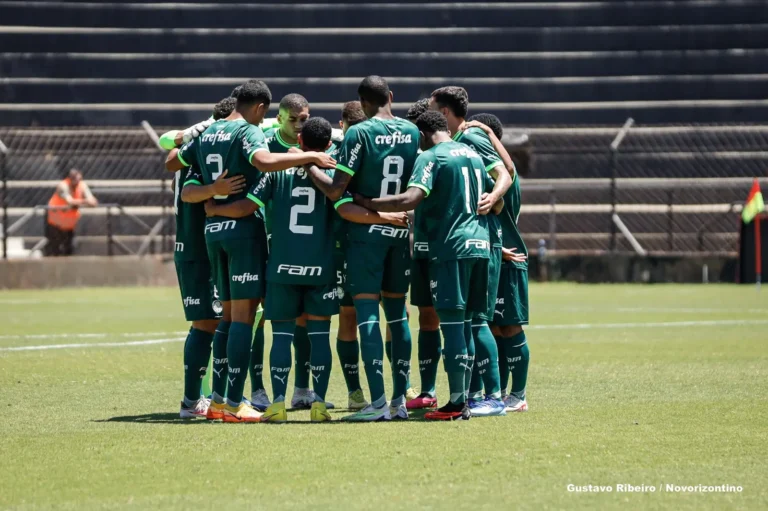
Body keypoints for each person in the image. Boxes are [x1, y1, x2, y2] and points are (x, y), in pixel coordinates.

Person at [205, 118, 407, 422]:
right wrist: (386, 218)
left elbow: (247, 207)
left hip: (282, 267)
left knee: (282, 336)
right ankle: (320, 404)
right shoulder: (334, 176)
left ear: (299, 143)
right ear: (328, 145)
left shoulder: (278, 173)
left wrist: (215, 209)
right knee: (320, 336)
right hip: (321, 267)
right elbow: (345, 208)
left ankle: (276, 405)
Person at [165, 79, 336, 423]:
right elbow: (261, 161)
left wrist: (213, 190)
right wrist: (310, 155)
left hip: (212, 232)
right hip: (243, 233)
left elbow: (174, 165)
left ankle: (216, 401)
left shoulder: (207, 133)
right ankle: (232, 404)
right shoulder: (248, 131)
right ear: (259, 108)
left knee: (226, 316)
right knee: (243, 316)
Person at [353, 110, 507, 421]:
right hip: (481, 246)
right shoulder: (472, 154)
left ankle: (454, 403)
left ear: (423, 134)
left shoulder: (432, 157)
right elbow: (498, 194)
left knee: (450, 327)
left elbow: (410, 198)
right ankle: (471, 398)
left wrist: (369, 202)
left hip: (452, 248)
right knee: (468, 325)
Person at [305, 76, 420, 421]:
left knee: (366, 312)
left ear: (364, 103)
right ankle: (401, 400)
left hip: (365, 235)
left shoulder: (359, 133)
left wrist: (308, 163)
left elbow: (337, 190)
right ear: (390, 96)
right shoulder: (412, 132)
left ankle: (377, 403)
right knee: (398, 315)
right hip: (402, 232)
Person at [158, 96, 236, 419]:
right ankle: (192, 401)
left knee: (212, 320)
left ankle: (202, 396)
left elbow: (170, 152)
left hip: (204, 245)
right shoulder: (202, 146)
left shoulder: (201, 144)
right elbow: (172, 158)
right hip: (195, 246)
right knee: (207, 322)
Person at [463, 113, 531, 412]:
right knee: (492, 327)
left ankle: (518, 395)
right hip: (491, 255)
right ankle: (498, 392)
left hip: (509, 257)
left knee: (511, 327)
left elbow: (511, 169)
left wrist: (486, 132)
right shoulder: (485, 173)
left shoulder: (503, 179)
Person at [44, 169, 97, 256]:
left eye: (79, 179)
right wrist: (85, 201)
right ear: (70, 179)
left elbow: (93, 201)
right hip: (55, 221)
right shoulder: (63, 186)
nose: (77, 182)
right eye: (75, 179)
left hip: (69, 224)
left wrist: (88, 201)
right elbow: (70, 201)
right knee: (54, 249)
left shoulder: (82, 186)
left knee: (69, 249)